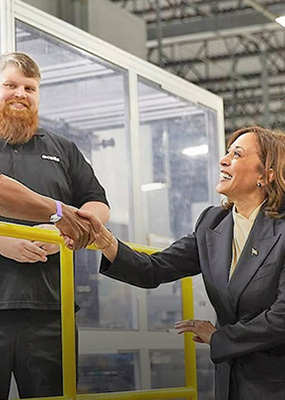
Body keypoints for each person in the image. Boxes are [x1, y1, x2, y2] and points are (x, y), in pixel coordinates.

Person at [78, 126, 285, 400]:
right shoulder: (212, 224)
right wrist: (106, 242)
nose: (223, 160)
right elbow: (155, 268)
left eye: (237, 154)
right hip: (230, 382)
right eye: (226, 152)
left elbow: (281, 318)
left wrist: (218, 338)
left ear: (267, 173)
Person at [0, 52, 110, 399]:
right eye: (10, 85)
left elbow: (98, 205)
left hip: (51, 312)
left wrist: (64, 229)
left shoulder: (62, 150)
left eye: (30, 88)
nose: (20, 94)